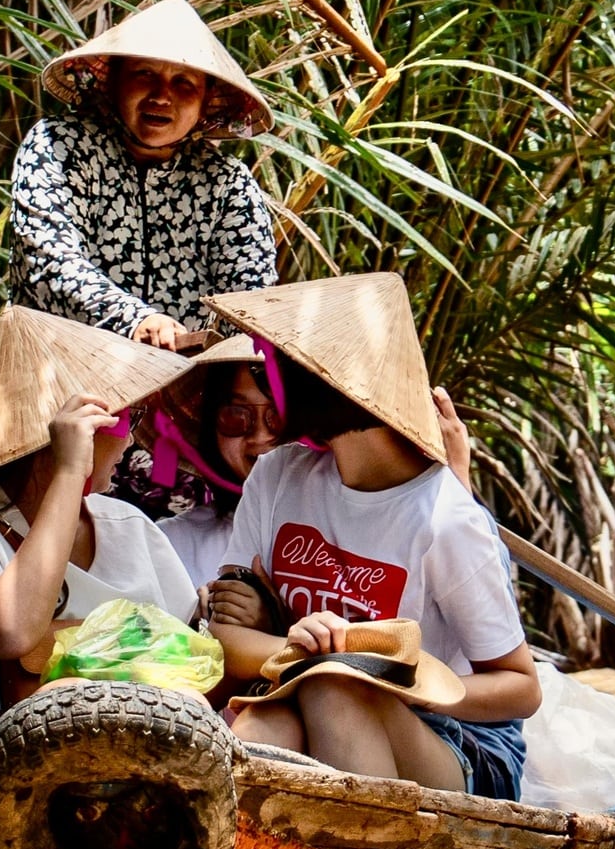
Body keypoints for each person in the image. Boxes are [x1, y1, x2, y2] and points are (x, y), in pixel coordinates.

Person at [203, 274, 540, 799]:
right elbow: (226, 636)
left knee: (333, 687)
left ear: (329, 383)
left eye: (278, 367)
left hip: (457, 741)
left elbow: (520, 688)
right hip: (302, 693)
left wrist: (390, 677)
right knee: (269, 722)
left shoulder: (444, 519)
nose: (269, 383)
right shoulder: (276, 477)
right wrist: (304, 648)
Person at [0, 309, 199, 787]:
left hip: (135, 779)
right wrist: (66, 472)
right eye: (122, 420)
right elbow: (11, 632)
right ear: (64, 429)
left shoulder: (127, 525)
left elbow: (187, 656)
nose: (133, 440)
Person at [9, 0, 276, 349]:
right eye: (145, 74)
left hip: (181, 388)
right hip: (60, 376)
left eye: (184, 82)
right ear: (114, 80)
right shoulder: (59, 144)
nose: (162, 96)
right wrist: (136, 320)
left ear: (205, 100)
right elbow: (46, 260)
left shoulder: (226, 183)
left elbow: (250, 302)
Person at [153, 335, 283, 586]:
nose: (260, 436)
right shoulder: (170, 545)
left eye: (278, 416)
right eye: (236, 415)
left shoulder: (354, 536)